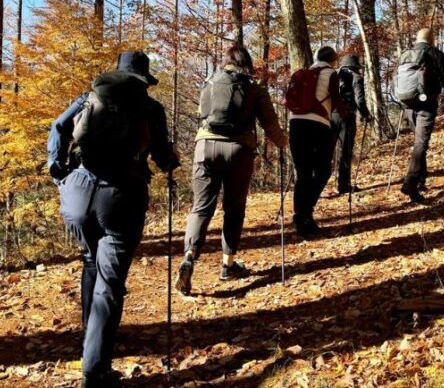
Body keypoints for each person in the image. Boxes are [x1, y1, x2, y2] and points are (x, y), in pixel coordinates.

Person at [47, 51, 179, 388]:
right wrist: (169, 164)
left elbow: (59, 127)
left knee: (92, 263)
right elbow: (162, 153)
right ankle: (96, 371)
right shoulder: (150, 108)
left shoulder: (91, 96)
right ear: (144, 79)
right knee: (110, 282)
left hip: (77, 191)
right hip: (121, 195)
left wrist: (58, 169)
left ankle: (90, 340)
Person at [175, 45, 288, 296]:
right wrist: (282, 141)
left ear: (226, 62)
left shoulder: (210, 81)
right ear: (247, 63)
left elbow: (201, 113)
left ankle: (189, 256)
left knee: (201, 206)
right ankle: (227, 265)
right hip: (239, 149)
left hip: (205, 146)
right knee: (234, 207)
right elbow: (269, 124)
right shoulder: (254, 87)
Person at [285, 46, 349, 236]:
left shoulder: (303, 74)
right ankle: (306, 211)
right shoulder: (331, 73)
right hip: (318, 125)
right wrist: (347, 117)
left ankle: (301, 216)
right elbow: (336, 101)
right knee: (323, 171)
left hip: (295, 124)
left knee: (303, 172)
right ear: (333, 59)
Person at [397, 28, 444, 204]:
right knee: (421, 143)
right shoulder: (435, 54)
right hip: (426, 104)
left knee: (419, 143)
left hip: (407, 104)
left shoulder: (405, 55)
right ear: (431, 39)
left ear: (417, 39)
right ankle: (411, 182)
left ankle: (420, 180)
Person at [332, 54, 371, 195]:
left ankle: (318, 185)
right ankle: (343, 184)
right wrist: (366, 114)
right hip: (346, 117)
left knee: (327, 152)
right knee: (345, 151)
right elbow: (359, 100)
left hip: (329, 116)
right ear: (355, 66)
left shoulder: (333, 74)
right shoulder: (356, 77)